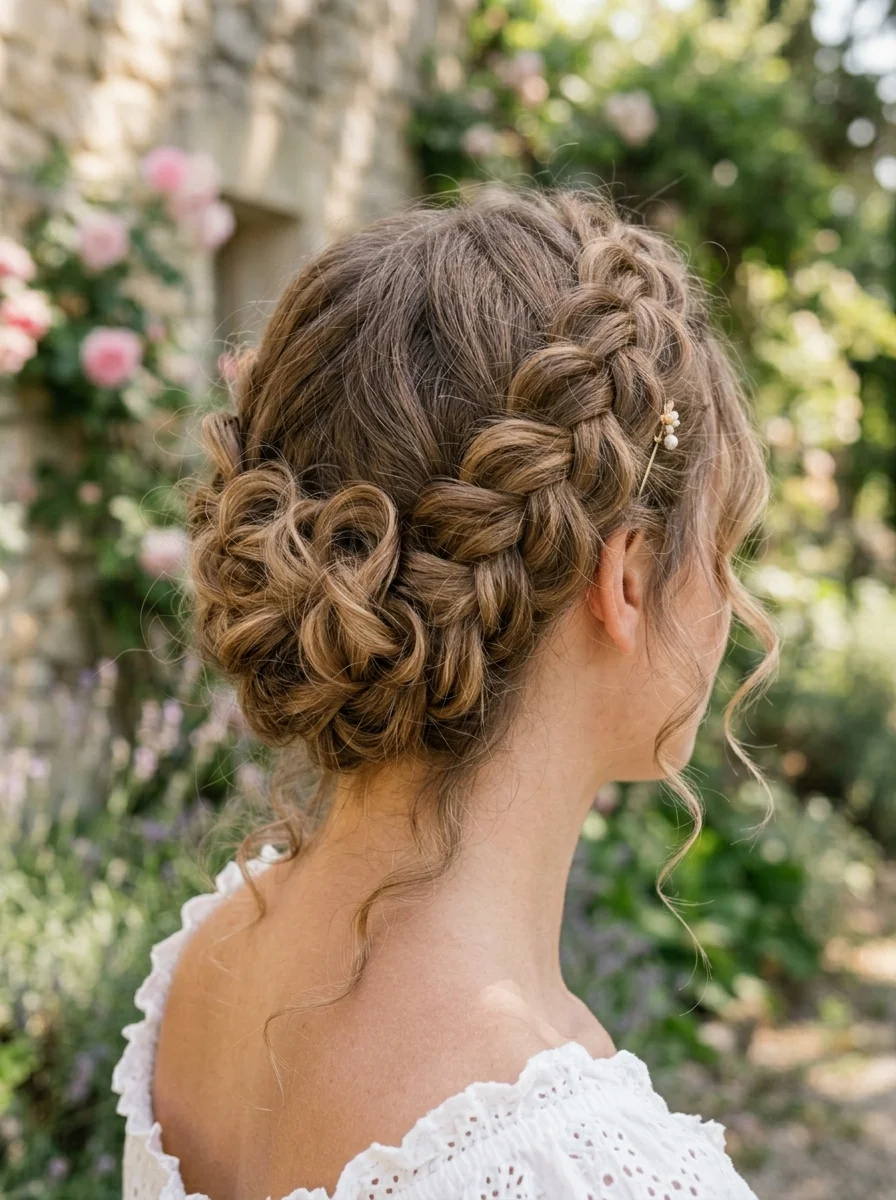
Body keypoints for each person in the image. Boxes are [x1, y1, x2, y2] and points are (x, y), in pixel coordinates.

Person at [112, 185, 777, 1200]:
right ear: (628, 579)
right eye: (723, 547)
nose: (731, 596)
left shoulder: (206, 967)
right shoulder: (594, 1169)